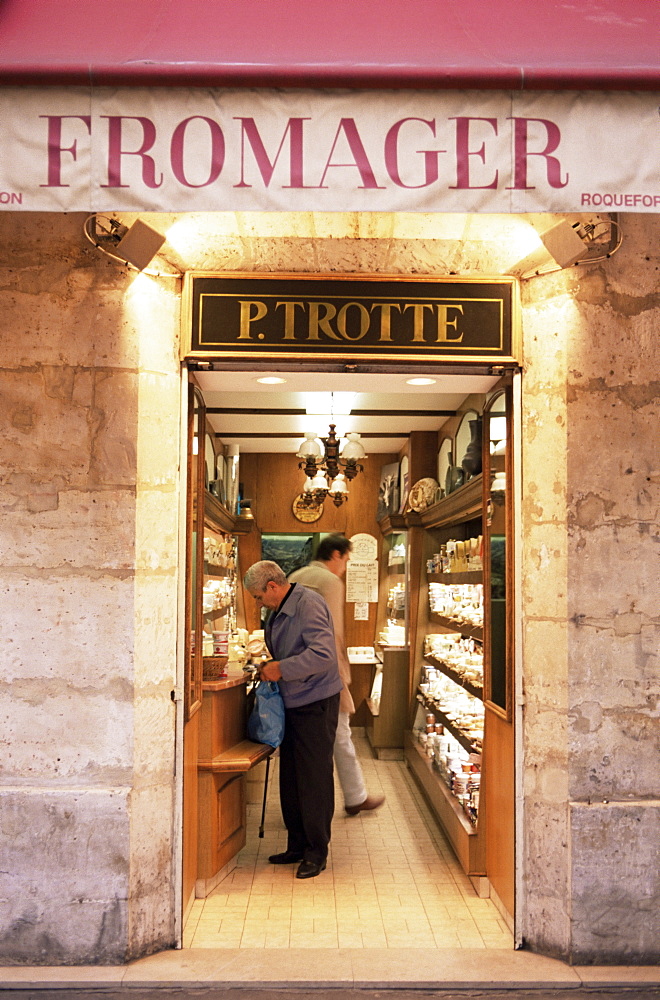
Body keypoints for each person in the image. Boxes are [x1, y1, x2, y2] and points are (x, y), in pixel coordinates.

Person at [243, 559, 342, 879]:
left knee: (313, 779)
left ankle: (316, 851)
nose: (258, 603)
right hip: (294, 700)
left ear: (272, 586)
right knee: (293, 778)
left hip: (315, 701)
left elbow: (324, 655)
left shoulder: (308, 604)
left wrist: (281, 669)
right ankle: (297, 844)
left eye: (258, 596)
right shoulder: (281, 606)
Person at [289, 535, 385, 816]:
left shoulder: (297, 575)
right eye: (346, 559)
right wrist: (343, 675)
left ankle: (306, 803)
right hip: (324, 675)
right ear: (335, 554)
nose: (345, 566)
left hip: (296, 672)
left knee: (306, 743)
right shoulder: (330, 582)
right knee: (340, 734)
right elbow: (333, 635)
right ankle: (353, 797)